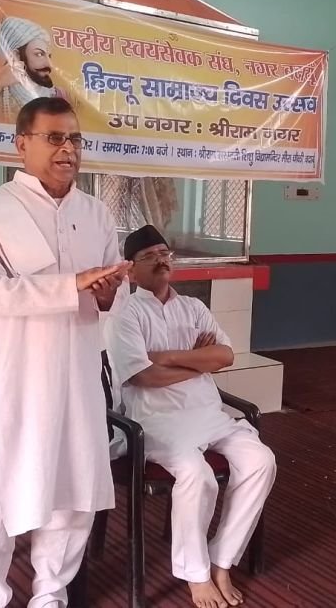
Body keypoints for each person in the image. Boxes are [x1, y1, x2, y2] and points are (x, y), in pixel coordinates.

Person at [0, 96, 131, 607]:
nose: (67, 149)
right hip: (12, 378)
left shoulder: (96, 212)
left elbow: (112, 298)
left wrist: (106, 294)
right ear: (21, 144)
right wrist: (71, 283)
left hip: (77, 375)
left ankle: (50, 593)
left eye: (75, 139)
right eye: (54, 138)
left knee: (74, 487)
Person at [106, 225, 276, 608]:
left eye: (164, 253)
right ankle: (196, 575)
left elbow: (225, 356)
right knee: (198, 476)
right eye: (149, 256)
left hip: (207, 413)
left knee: (261, 460)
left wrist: (166, 356)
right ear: (130, 270)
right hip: (156, 420)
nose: (161, 260)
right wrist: (199, 363)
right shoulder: (125, 315)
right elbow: (144, 377)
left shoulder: (194, 308)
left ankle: (221, 559)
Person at [0, 17, 70, 123]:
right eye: (39, 54)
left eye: (49, 56)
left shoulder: (59, 96)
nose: (49, 64)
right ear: (16, 56)